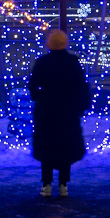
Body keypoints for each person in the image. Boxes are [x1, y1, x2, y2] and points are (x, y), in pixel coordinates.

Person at [27, 29, 91, 198]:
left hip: (47, 111)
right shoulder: (73, 62)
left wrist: (39, 98)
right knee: (65, 147)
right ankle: (63, 185)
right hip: (67, 110)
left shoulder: (43, 62)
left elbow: (33, 84)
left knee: (48, 147)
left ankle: (46, 184)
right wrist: (81, 106)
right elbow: (81, 86)